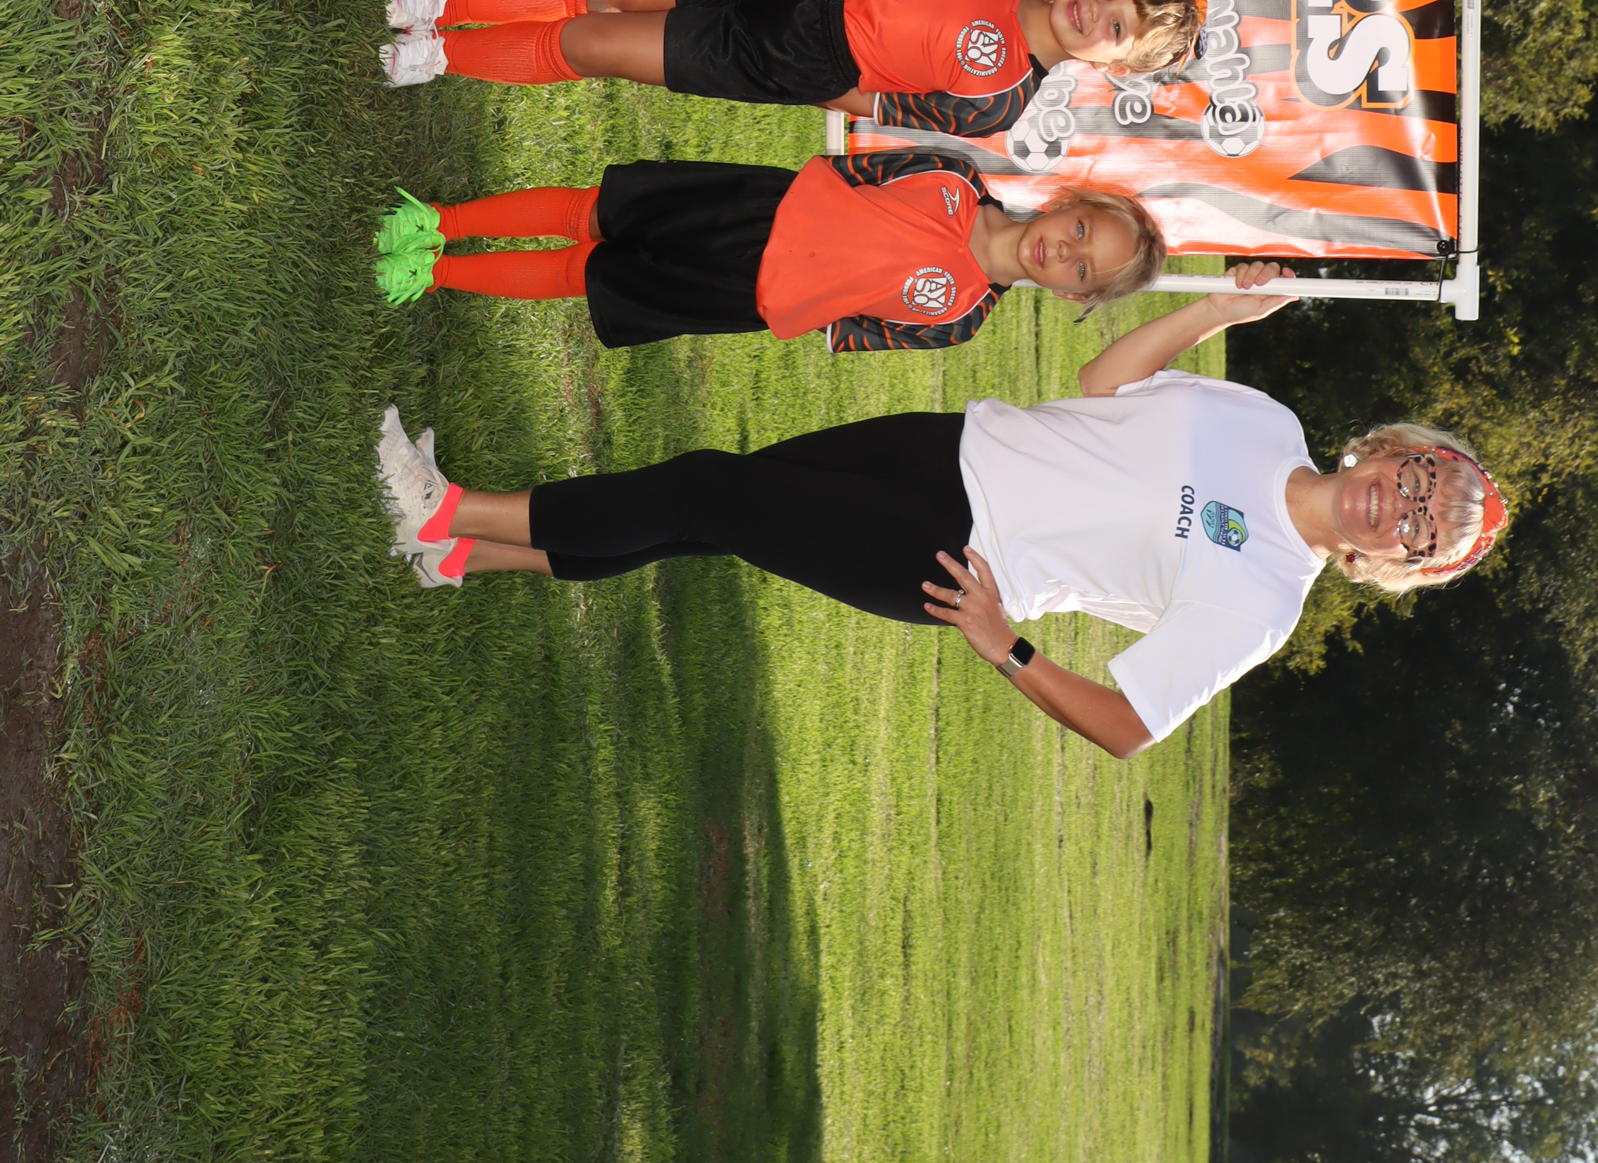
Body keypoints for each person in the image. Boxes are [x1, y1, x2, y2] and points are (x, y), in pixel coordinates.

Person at [371, 274, 1511, 755]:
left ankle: (445, 508)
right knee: (709, 516)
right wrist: (1217, 308)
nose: (1398, 503)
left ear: (1391, 563)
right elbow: (1105, 386)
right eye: (1417, 478)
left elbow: (1129, 724)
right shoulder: (1267, 420)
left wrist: (1006, 645)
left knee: (709, 489)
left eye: (1415, 528)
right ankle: (462, 558)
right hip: (946, 447)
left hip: (953, 558)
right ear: (1395, 448)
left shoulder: (1263, 602)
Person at [374, 0, 1206, 141]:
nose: (1095, 9)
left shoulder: (1001, 103)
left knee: (595, 44)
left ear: (1115, 65)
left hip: (793, 57)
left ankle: (442, 54)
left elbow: (875, 104)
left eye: (1117, 28)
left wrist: (788, 71)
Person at [370, 147, 1165, 349]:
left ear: (1072, 294)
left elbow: (853, 330)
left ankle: (436, 273)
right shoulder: (953, 176)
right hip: (755, 207)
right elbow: (853, 172)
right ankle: (440, 218)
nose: (1064, 254)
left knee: (588, 276)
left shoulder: (961, 318)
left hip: (745, 295)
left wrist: (799, 287)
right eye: (1080, 233)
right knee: (595, 213)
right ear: (1067, 204)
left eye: (1082, 270)